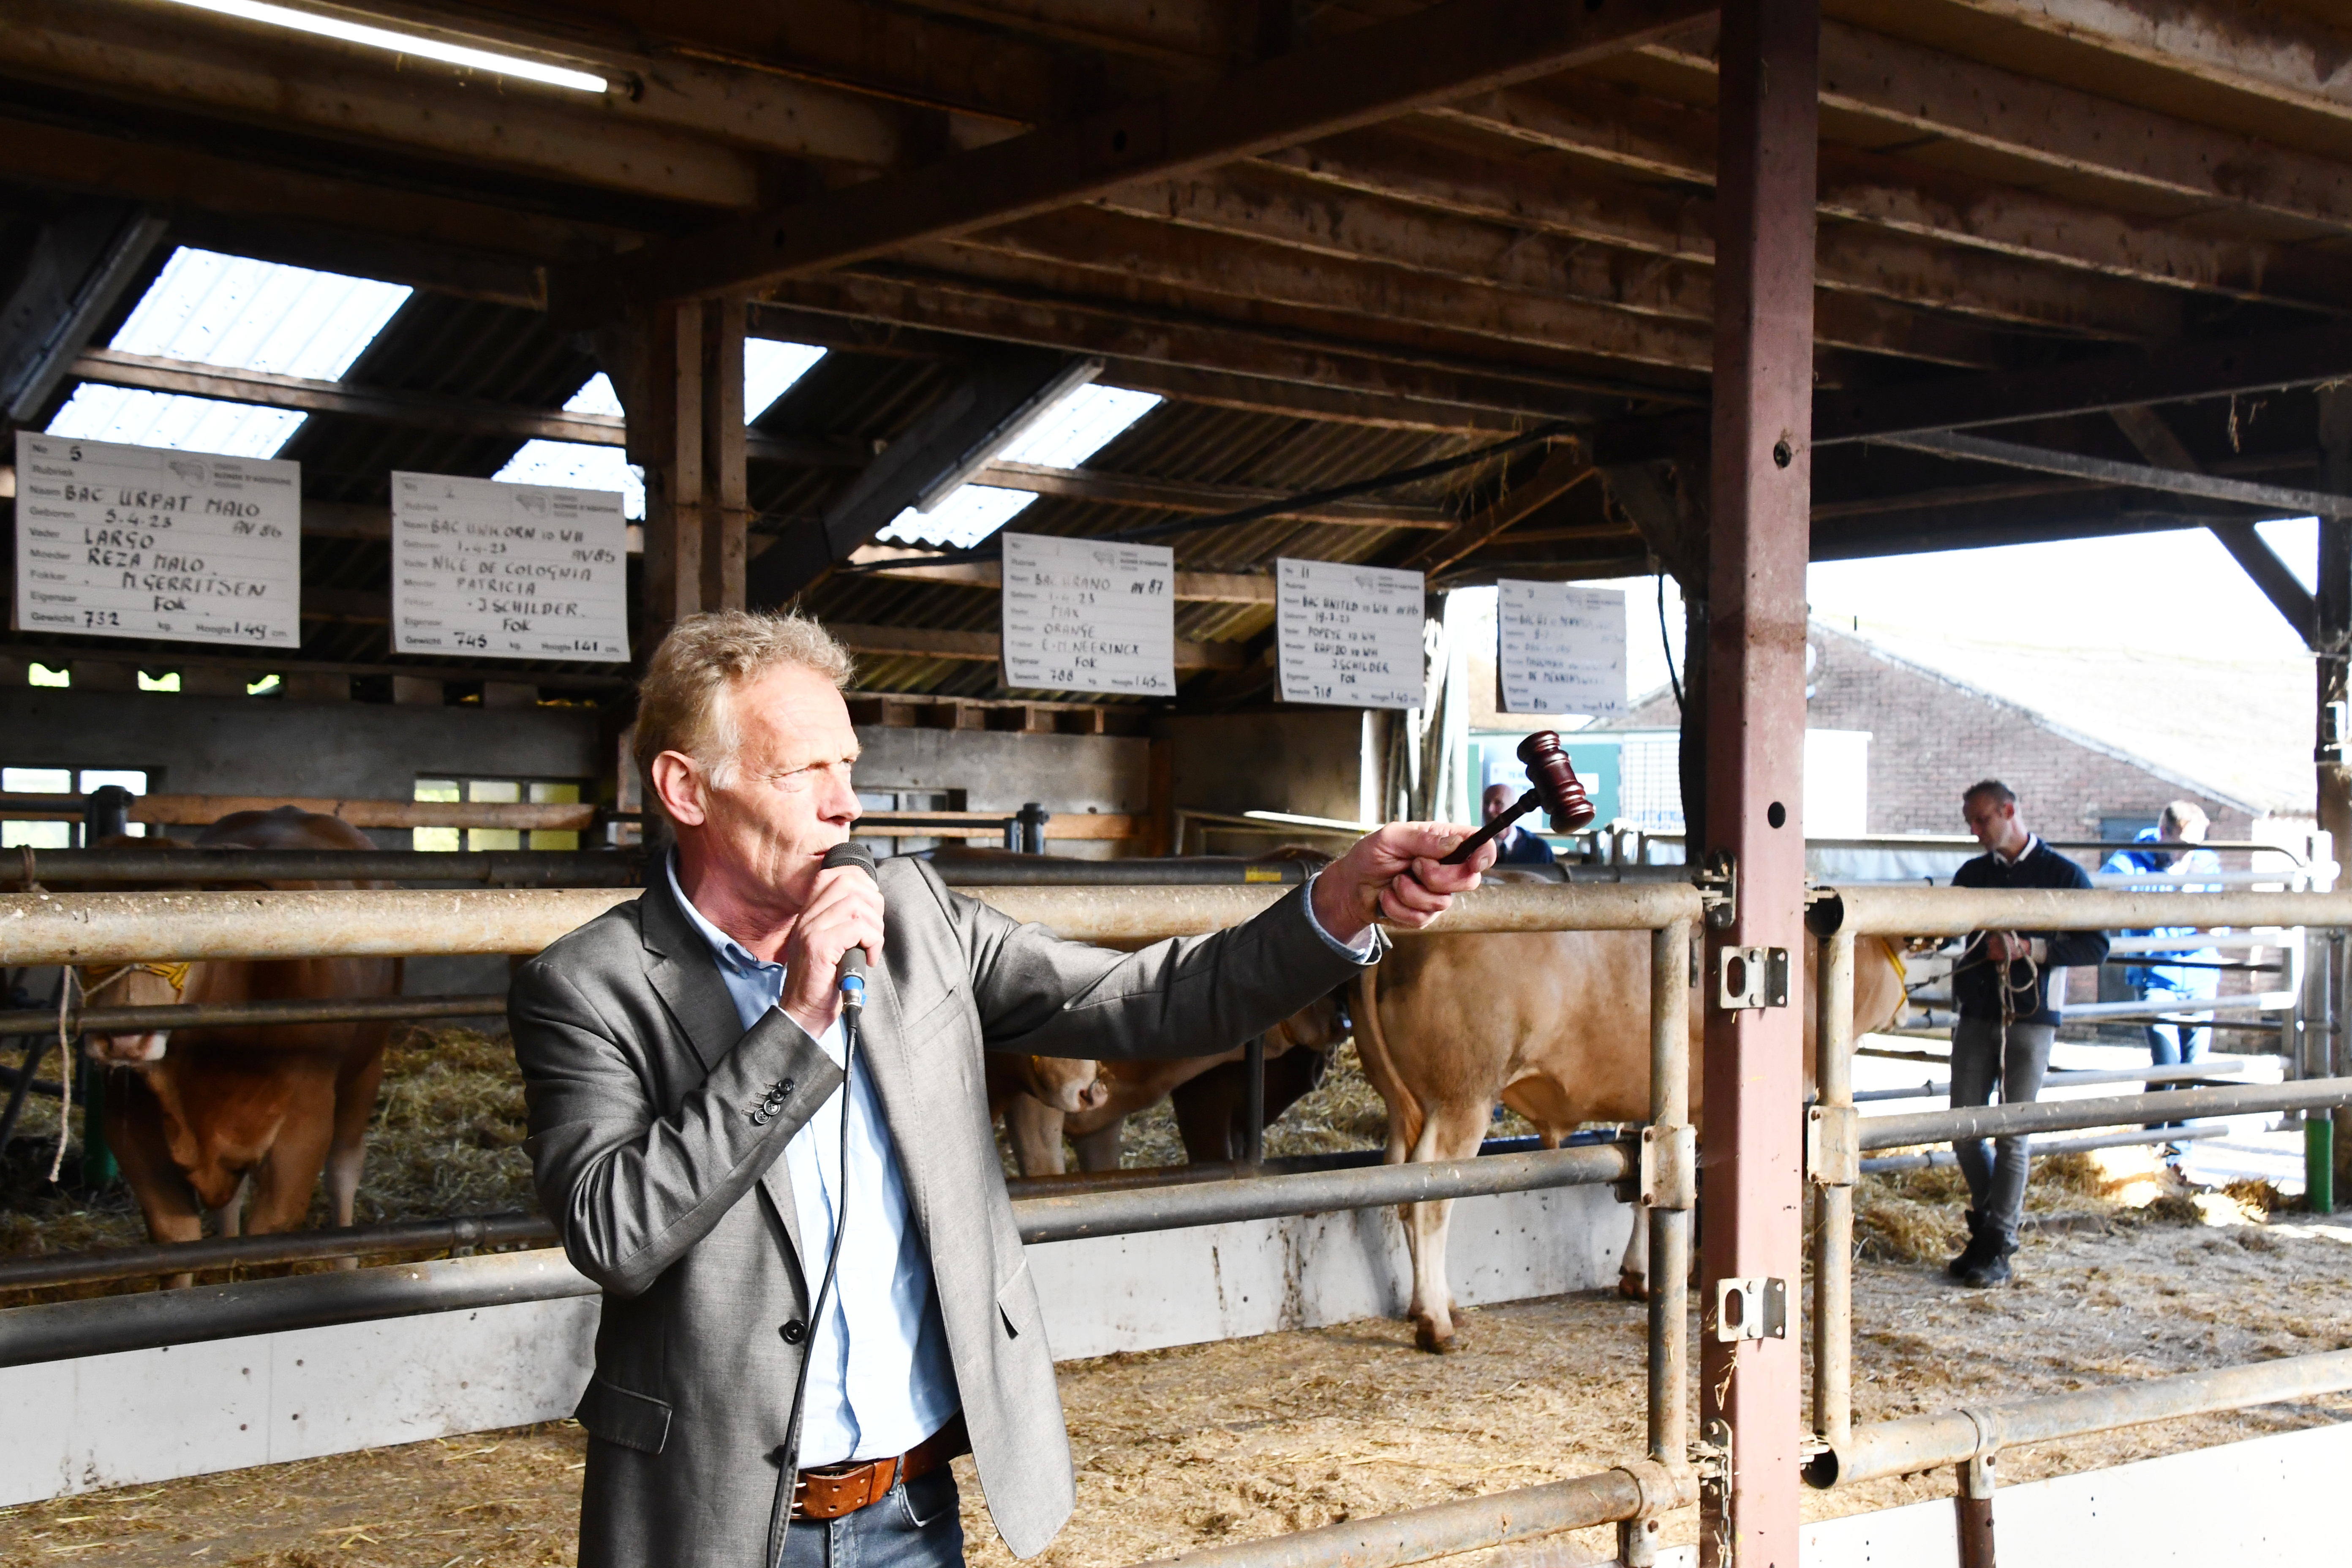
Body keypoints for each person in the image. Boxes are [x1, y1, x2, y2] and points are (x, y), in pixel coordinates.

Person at [509, 610, 1498, 1568]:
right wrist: (799, 1018)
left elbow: (1150, 999)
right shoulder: (590, 985)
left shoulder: (915, 919)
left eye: (846, 765)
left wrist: (1337, 901)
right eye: (802, 771)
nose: (845, 804)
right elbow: (617, 1234)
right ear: (685, 789)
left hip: (908, 1509)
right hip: (712, 1522)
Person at [1944, 780, 2110, 1288]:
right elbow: (1944, 924)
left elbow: (2096, 945)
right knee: (1963, 1125)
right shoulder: (1972, 875)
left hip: (2032, 1014)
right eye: (1971, 822)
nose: (1975, 831)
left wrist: (2030, 949)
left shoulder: (2063, 875)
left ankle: (1996, 1241)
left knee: (2013, 1132)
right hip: (1978, 1010)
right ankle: (1993, 1230)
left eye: (1981, 819)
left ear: (2009, 810)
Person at [2102, 802, 2223, 1072]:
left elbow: (2219, 924)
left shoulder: (2206, 863)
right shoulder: (2131, 860)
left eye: (2196, 845)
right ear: (2163, 832)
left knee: (2194, 1070)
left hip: (2201, 976)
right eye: (2184, 845)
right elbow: (2100, 893)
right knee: (2167, 1065)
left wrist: (2210, 920)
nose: (2190, 853)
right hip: (2157, 977)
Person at [1481, 781, 1557, 867]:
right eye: (1486, 803)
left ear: (1513, 807)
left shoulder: (1539, 849)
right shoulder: (1475, 847)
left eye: (1499, 804)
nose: (1490, 810)